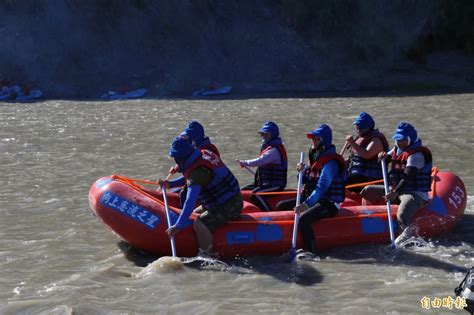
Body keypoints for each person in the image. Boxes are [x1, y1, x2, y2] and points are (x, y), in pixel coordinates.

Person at [158, 137, 243, 255]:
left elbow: (190, 200)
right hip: (224, 200)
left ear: (181, 157)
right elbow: (190, 178)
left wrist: (178, 226)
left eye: (175, 157)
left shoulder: (197, 172)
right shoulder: (202, 155)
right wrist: (170, 184)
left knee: (199, 223)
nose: (175, 160)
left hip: (230, 205)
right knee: (193, 214)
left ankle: (207, 255)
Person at [360, 122, 432, 243]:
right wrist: (382, 156)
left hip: (414, 192)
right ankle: (367, 222)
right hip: (397, 189)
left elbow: (408, 177)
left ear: (410, 139)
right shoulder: (397, 149)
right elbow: (386, 158)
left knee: (403, 215)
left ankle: (409, 239)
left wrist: (395, 192)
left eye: (402, 139)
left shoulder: (416, 155)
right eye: (397, 139)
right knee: (368, 191)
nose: (399, 142)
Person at [292, 124, 347, 254]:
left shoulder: (331, 163)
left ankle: (311, 253)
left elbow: (321, 188)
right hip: (316, 199)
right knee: (281, 205)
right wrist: (302, 170)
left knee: (303, 220)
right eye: (313, 138)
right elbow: (305, 180)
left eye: (316, 139)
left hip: (329, 203)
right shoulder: (317, 158)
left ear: (324, 141)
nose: (313, 141)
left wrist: (305, 205)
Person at [237, 121, 288, 211]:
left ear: (272, 135)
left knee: (256, 194)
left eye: (266, 134)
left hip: (275, 184)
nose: (264, 137)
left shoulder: (274, 150)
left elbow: (260, 161)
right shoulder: (268, 148)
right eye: (263, 134)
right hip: (265, 183)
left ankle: (269, 214)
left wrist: (245, 162)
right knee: (241, 191)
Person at [344, 112, 389, 191]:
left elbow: (367, 154)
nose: (357, 129)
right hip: (357, 175)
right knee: (336, 177)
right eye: (357, 126)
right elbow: (354, 158)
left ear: (368, 127)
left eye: (360, 127)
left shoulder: (376, 140)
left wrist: (352, 143)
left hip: (370, 178)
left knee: (342, 182)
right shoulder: (361, 138)